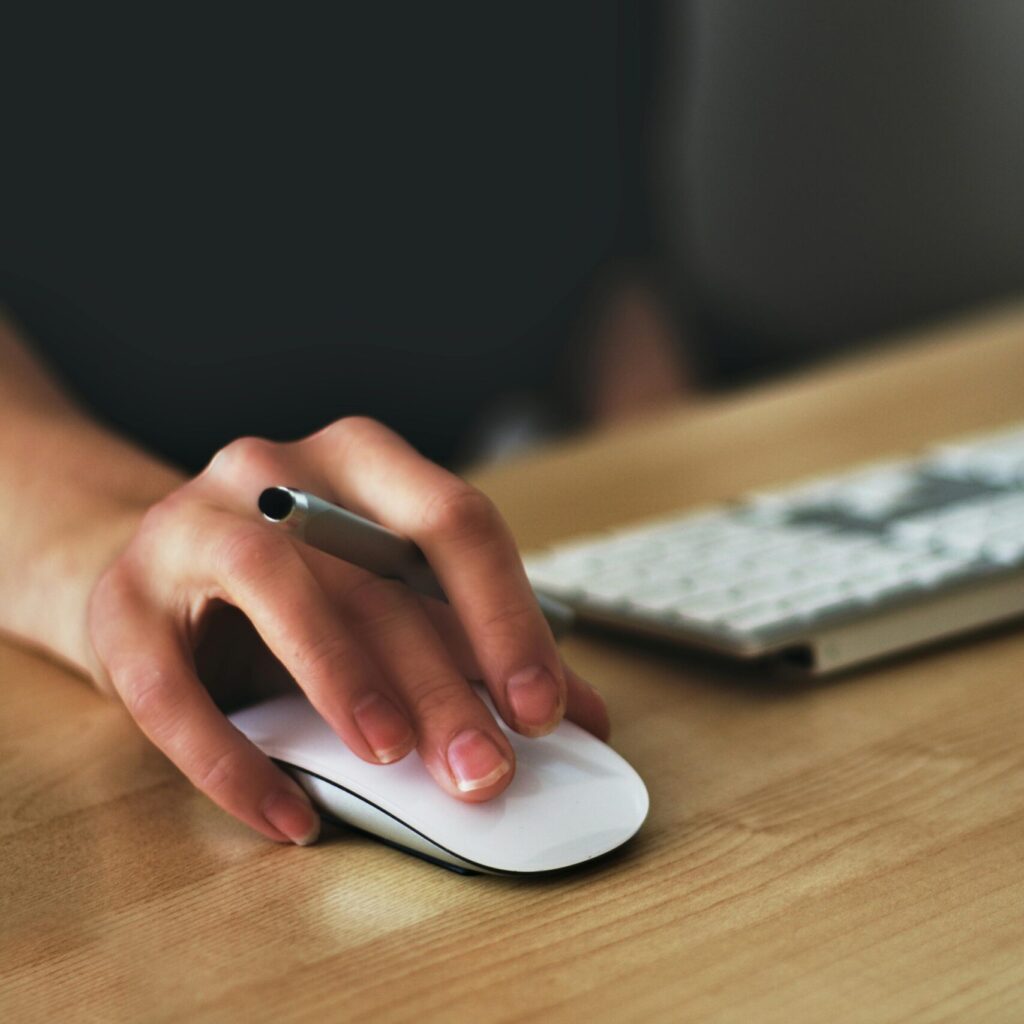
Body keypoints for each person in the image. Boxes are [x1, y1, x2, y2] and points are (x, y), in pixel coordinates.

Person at [0, 6, 681, 848]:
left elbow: (614, 258)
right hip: (125, 503)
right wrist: (114, 550)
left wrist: (680, 511)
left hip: (443, 547)